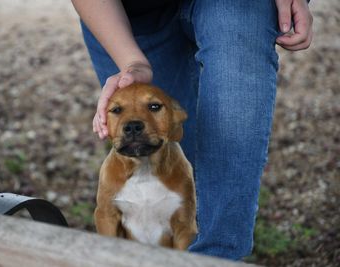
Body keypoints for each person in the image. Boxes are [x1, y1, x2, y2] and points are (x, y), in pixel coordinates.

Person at [71, 0, 313, 260]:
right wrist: (132, 63)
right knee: (169, 159)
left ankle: (217, 257)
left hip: (235, 5)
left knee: (235, 74)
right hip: (127, 14)